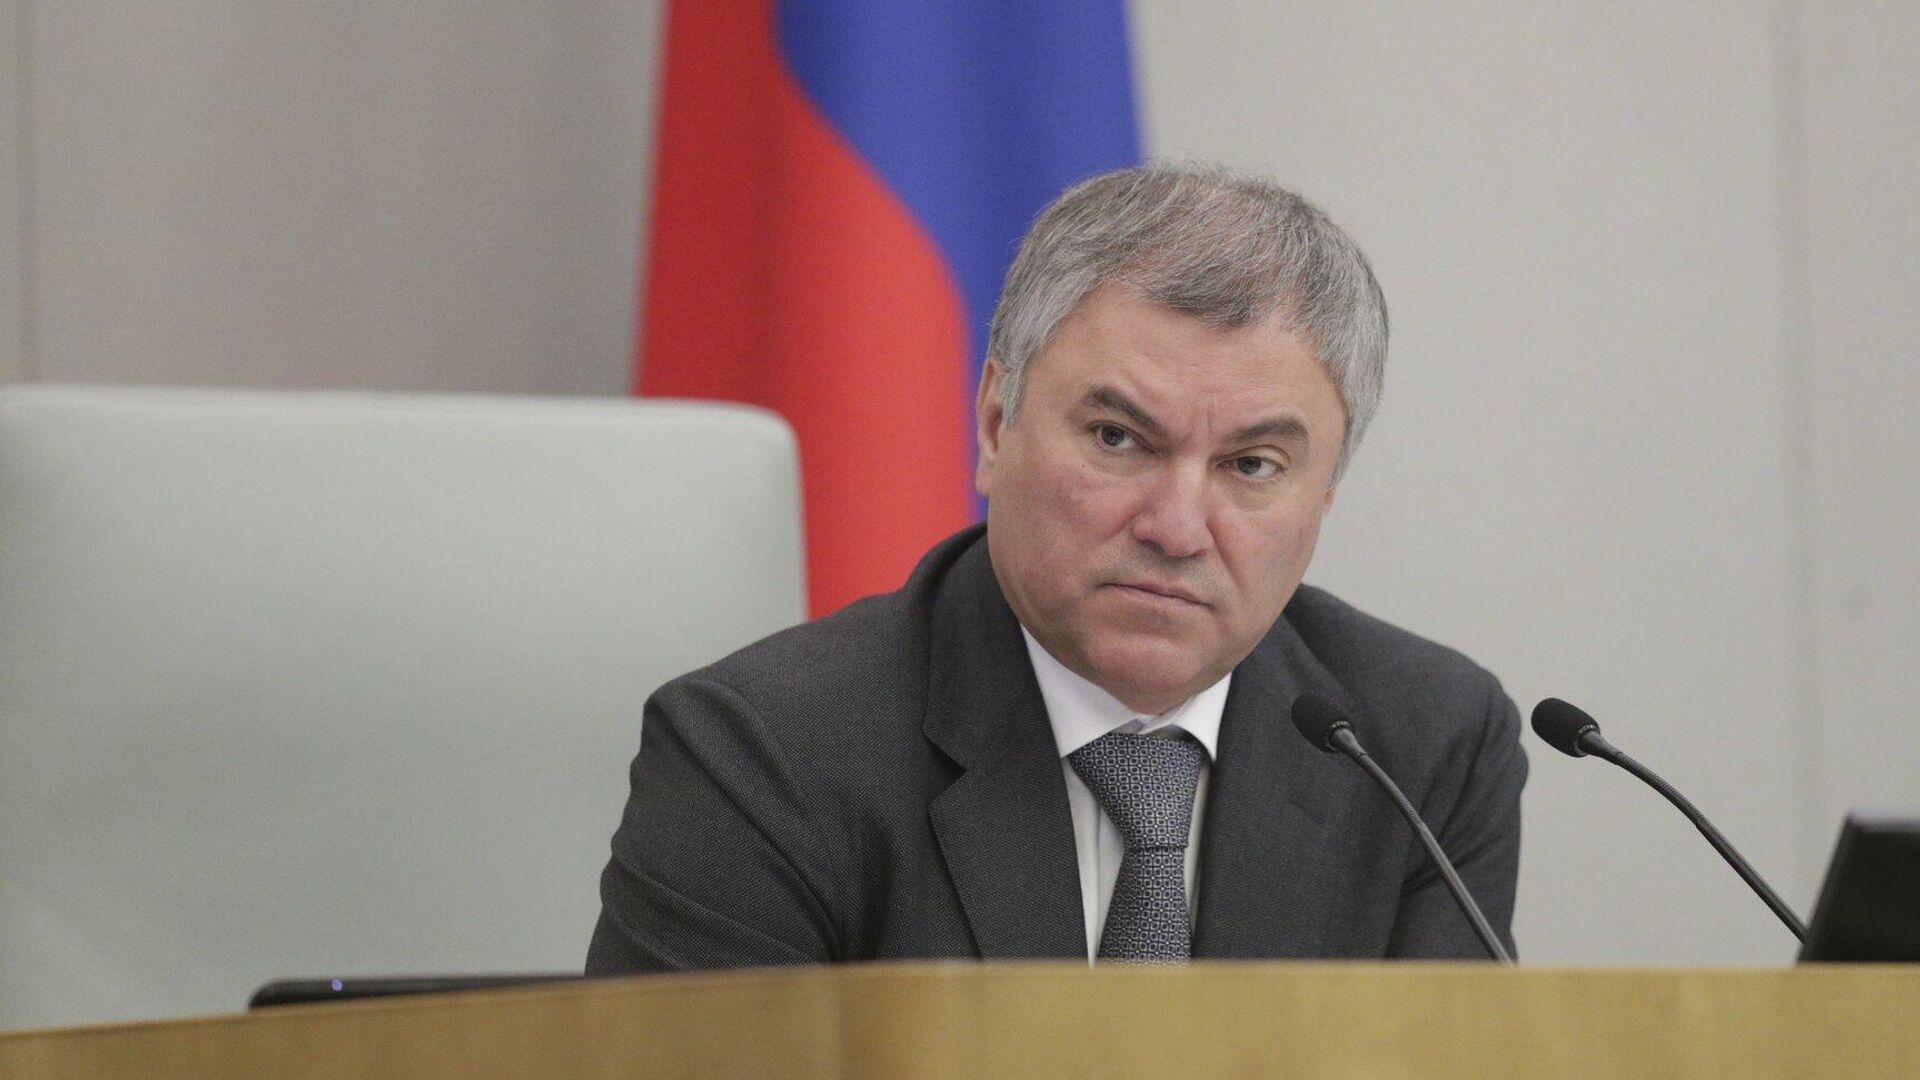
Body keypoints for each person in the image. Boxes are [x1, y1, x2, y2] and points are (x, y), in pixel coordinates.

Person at [587, 162, 1527, 971]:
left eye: (1251, 466)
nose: (1177, 529)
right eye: (1118, 438)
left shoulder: (1422, 747)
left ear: (1325, 493)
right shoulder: (764, 756)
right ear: (997, 425)